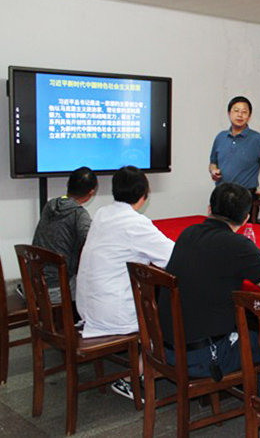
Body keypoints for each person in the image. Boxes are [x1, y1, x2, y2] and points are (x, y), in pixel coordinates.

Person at [160, 183, 260, 380]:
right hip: (205, 356)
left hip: (166, 347)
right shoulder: (238, 246)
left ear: (209, 209)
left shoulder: (188, 233)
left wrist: (255, 258)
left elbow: (217, 261)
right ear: (246, 218)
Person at [76, 166, 174, 398]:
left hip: (86, 306)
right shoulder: (136, 223)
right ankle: (132, 378)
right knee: (169, 319)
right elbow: (174, 258)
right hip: (112, 312)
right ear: (144, 195)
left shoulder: (102, 214)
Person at [32, 166, 97, 304]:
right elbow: (92, 246)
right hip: (57, 289)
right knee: (101, 291)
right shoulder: (79, 214)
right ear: (92, 192)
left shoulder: (50, 205)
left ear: (68, 185)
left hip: (34, 285)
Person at [209, 96, 260, 198]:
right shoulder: (220, 137)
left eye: (244, 112)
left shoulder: (257, 139)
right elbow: (213, 163)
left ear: (249, 116)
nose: (240, 115)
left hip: (244, 195)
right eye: (236, 111)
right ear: (229, 113)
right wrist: (213, 171)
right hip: (221, 193)